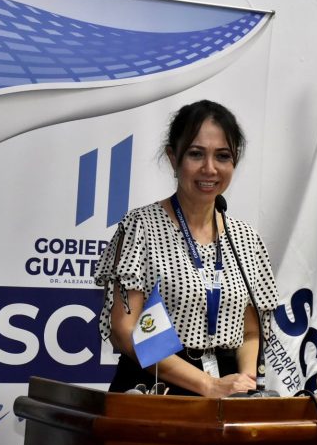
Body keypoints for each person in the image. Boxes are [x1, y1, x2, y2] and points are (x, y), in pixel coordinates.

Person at [94, 100, 279, 397]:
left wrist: (244, 385)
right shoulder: (141, 227)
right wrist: (208, 384)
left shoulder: (246, 238)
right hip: (155, 388)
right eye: (196, 154)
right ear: (173, 157)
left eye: (222, 156)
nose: (210, 168)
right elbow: (125, 330)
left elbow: (251, 332)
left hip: (226, 394)